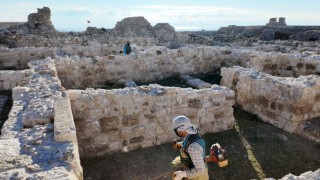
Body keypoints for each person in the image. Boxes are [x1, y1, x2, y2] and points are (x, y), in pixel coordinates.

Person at [170, 115, 209, 180]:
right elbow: (187, 143)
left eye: (176, 130)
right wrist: (178, 145)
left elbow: (200, 170)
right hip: (190, 167)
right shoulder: (192, 133)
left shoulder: (193, 147)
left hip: (197, 177)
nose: (177, 132)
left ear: (180, 130)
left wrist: (182, 174)